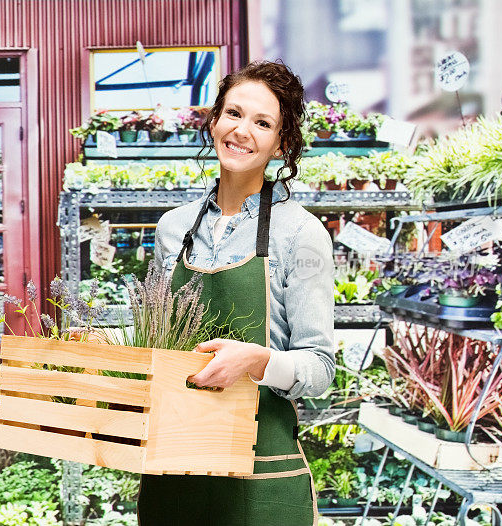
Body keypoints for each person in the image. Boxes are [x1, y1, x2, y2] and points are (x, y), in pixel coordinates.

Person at [137, 60, 335, 526]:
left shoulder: (300, 235)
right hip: (174, 472)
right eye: (234, 113)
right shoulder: (173, 229)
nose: (242, 130)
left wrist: (258, 361)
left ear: (281, 143)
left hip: (261, 479)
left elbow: (322, 369)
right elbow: (155, 344)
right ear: (214, 120)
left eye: (262, 123)